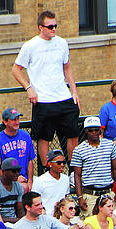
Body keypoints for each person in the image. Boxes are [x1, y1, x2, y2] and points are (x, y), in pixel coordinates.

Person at [12, 10, 81, 163]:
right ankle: (46, 169)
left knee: (73, 133)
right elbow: (16, 70)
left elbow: (67, 67)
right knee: (44, 137)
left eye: (55, 26)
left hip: (63, 96)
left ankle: (73, 169)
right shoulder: (30, 46)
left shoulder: (62, 43)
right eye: (50, 27)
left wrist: (74, 92)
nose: (54, 29)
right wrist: (29, 88)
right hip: (43, 100)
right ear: (41, 27)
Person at [0, 108, 35, 193]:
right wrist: (14, 178)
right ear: (5, 122)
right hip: (7, 181)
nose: (17, 122)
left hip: (24, 179)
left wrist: (30, 180)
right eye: (13, 120)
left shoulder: (25, 136)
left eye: (17, 119)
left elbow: (30, 161)